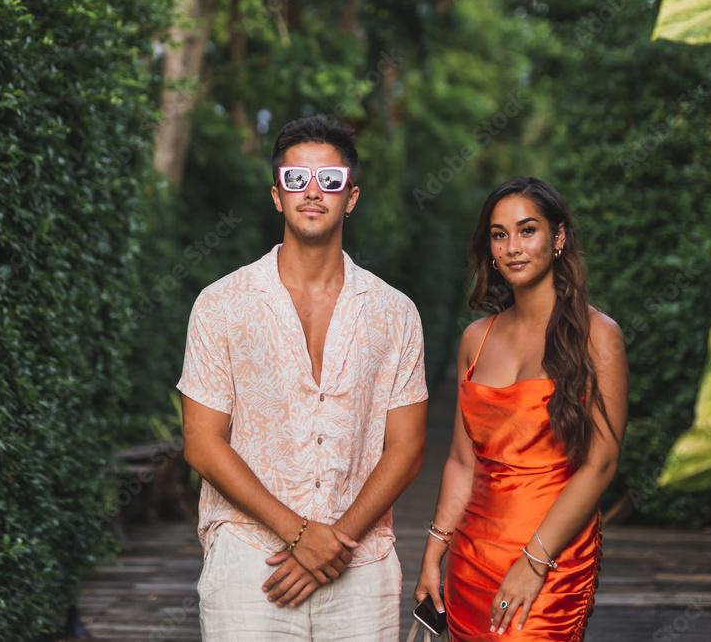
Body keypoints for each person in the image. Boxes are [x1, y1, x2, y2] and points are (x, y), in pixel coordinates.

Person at [178, 116, 429, 641]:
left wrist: (335, 540)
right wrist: (299, 534)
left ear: (351, 196)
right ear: (276, 195)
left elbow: (406, 448)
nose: (313, 192)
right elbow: (202, 443)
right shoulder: (221, 304)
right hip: (249, 562)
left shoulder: (395, 312)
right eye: (296, 180)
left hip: (360, 565)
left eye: (330, 181)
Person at [413, 177, 628, 640]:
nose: (512, 246)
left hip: (551, 560)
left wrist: (534, 562)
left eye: (527, 230)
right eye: (499, 234)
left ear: (559, 238)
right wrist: (433, 555)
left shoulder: (599, 336)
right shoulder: (477, 338)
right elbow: (461, 460)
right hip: (470, 561)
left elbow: (601, 463)